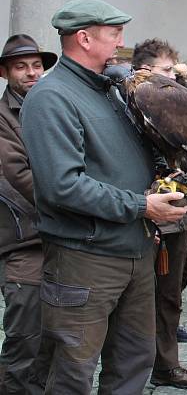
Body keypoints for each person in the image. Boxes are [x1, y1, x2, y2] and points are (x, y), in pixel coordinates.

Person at [20, 0, 187, 393]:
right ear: (83, 38)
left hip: (135, 251)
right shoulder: (51, 97)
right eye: (114, 34)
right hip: (84, 260)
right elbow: (62, 186)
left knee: (133, 363)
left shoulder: (111, 90)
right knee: (72, 371)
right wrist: (141, 205)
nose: (121, 43)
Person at [130, 38, 187, 389]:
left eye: (174, 70)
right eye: (166, 71)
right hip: (141, 214)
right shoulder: (132, 103)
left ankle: (165, 363)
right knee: (141, 297)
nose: (173, 77)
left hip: (176, 216)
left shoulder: (173, 105)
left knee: (172, 291)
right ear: (144, 72)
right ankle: (146, 364)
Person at [0, 34, 57, 393]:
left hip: (56, 237)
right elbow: (15, 178)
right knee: (23, 340)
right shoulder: (3, 118)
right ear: (6, 72)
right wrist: (72, 203)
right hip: (23, 241)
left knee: (52, 337)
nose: (31, 72)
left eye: (36, 65)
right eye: (21, 66)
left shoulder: (48, 107)